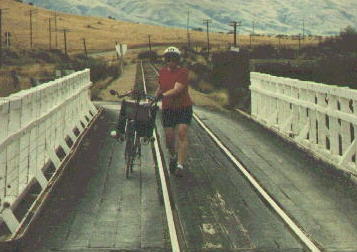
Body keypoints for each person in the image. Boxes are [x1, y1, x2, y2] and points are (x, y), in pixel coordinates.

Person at [155, 46, 193, 177]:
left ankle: (180, 166)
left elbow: (177, 89)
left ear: (178, 60)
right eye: (168, 59)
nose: (170, 61)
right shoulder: (162, 72)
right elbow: (160, 88)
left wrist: (163, 95)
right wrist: (153, 99)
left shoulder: (183, 72)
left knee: (182, 133)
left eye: (173, 59)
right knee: (169, 139)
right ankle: (173, 156)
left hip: (183, 108)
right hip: (168, 109)